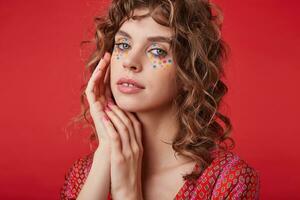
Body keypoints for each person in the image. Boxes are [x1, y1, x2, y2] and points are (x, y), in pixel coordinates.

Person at [60, 0, 260, 199]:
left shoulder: (228, 181)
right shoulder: (84, 174)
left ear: (190, 72)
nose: (130, 61)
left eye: (157, 50)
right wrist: (105, 153)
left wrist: (128, 193)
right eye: (123, 44)